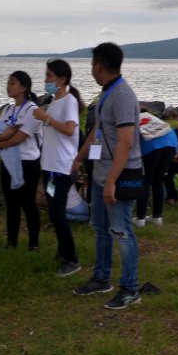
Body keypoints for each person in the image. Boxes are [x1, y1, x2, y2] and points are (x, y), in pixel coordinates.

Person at [71, 43, 144, 310]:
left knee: (121, 231)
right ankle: (102, 278)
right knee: (100, 228)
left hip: (121, 174)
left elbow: (125, 142)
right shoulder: (107, 94)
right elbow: (98, 133)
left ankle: (130, 287)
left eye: (92, 64)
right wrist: (80, 158)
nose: (91, 68)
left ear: (98, 65)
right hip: (102, 173)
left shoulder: (123, 95)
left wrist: (112, 180)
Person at [33, 59, 85, 277]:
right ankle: (63, 251)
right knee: (54, 210)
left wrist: (47, 118)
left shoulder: (69, 101)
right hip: (50, 167)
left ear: (62, 79)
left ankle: (72, 259)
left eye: (50, 76)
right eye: (46, 75)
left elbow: (70, 130)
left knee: (57, 212)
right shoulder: (55, 100)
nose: (46, 80)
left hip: (61, 168)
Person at [0, 70, 42, 251]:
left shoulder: (32, 110)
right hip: (8, 162)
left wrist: (0, 142)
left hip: (28, 163)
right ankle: (11, 242)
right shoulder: (7, 110)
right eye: (8, 83)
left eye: (12, 83)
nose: (8, 86)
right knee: (11, 204)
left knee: (28, 204)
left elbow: (18, 138)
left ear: (24, 88)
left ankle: (34, 244)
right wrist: (0, 140)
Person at [134, 114, 178, 227]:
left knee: (146, 181)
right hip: (171, 144)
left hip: (150, 147)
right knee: (158, 180)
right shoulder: (153, 118)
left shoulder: (131, 119)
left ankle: (140, 218)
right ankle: (157, 217)